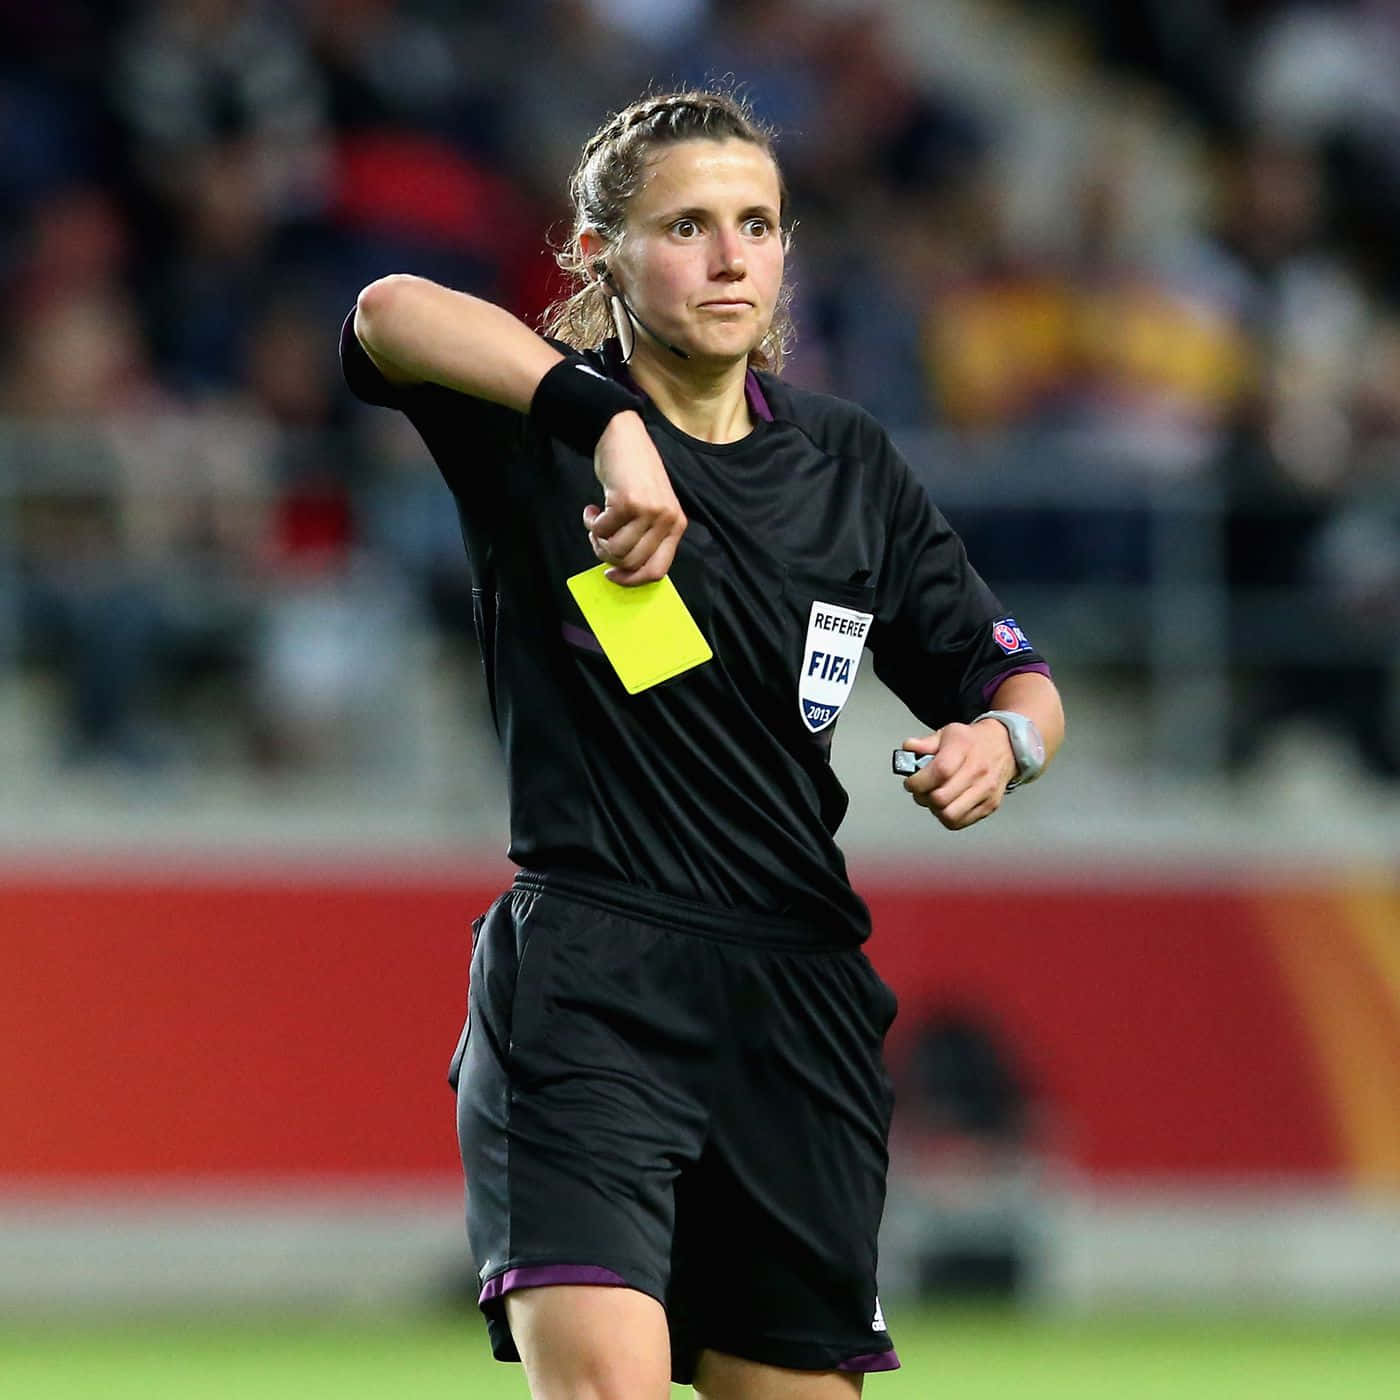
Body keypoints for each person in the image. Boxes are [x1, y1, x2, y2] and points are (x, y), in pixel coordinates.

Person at [341, 88, 1064, 1400]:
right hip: (593, 981)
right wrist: (602, 420)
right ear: (602, 254)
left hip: (798, 1005)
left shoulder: (849, 466)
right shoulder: (536, 436)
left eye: (759, 224)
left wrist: (1001, 748)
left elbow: (1015, 679)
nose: (732, 257)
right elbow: (389, 312)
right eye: (686, 226)